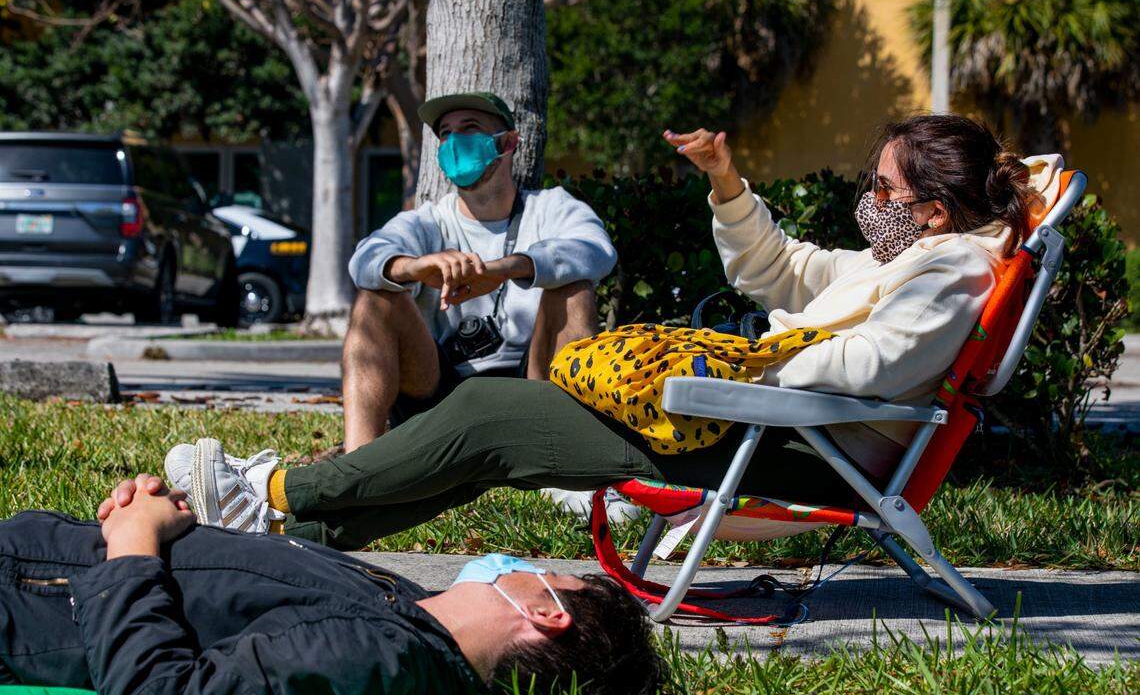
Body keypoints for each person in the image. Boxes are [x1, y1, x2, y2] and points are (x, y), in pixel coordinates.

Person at [165, 114, 1060, 551]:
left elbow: (863, 365)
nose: (869, 201)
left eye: (885, 190)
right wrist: (726, 181)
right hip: (766, 427)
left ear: (934, 213)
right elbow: (784, 273)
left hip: (788, 447)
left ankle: (278, 488)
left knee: (489, 417)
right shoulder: (912, 261)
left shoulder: (948, 275)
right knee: (491, 432)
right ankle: (300, 534)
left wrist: (725, 375)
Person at [0, 476, 667, 695]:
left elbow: (158, 694)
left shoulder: (377, 656)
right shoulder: (410, 609)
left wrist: (136, 543)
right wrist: (173, 520)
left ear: (548, 611)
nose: (530, 569)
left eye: (552, 576)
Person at [344, 91, 627, 521]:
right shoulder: (429, 221)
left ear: (508, 143)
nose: (454, 142)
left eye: (470, 130)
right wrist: (415, 267)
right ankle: (357, 474)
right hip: (438, 395)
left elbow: (595, 250)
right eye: (445, 134)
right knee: (375, 294)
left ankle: (576, 473)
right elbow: (364, 259)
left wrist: (505, 269)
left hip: (534, 392)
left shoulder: (550, 208)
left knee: (572, 287)